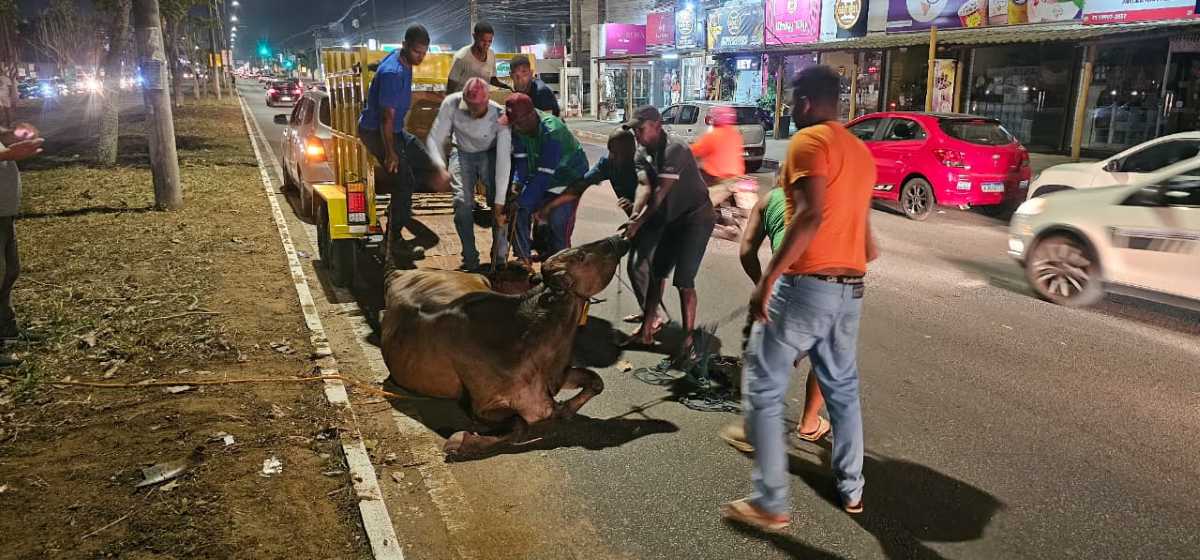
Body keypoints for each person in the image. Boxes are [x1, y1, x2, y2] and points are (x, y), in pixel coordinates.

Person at [720, 65, 879, 531]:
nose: (787, 108)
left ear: (807, 101)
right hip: (850, 287)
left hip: (807, 284)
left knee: (765, 383)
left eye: (791, 99)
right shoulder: (859, 151)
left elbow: (808, 217)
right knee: (843, 393)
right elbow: (868, 242)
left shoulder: (809, 143)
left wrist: (769, 279)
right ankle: (852, 489)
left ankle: (770, 500)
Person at [716, 186, 831, 453]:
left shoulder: (770, 199)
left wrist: (761, 284)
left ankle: (752, 427)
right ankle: (809, 423)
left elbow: (746, 250)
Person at [619, 105, 715, 364]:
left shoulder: (676, 149)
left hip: (696, 218)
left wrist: (638, 223)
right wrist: (633, 217)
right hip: (672, 221)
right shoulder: (641, 152)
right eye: (634, 131)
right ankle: (647, 331)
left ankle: (687, 341)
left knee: (683, 279)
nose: (637, 135)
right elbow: (644, 187)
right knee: (657, 273)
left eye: (640, 129)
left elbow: (660, 194)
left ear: (656, 125)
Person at [537, 128, 660, 328]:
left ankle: (652, 317)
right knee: (638, 268)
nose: (611, 156)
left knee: (641, 267)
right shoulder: (607, 165)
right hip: (635, 222)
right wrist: (550, 207)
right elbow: (580, 186)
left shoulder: (644, 165)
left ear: (631, 151)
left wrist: (637, 213)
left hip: (655, 220)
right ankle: (649, 312)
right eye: (610, 151)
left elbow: (657, 199)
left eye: (616, 153)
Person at [357, 24, 451, 267]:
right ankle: (394, 236)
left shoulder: (402, 61)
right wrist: (390, 154)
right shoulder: (393, 73)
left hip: (397, 130)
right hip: (377, 131)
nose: (421, 57)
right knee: (403, 179)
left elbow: (404, 95)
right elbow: (386, 119)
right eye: (417, 52)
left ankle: (400, 207)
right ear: (405, 45)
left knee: (425, 160)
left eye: (424, 52)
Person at [426, 77, 512, 270]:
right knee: (462, 204)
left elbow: (504, 161)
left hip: (491, 153)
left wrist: (499, 202)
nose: (472, 112)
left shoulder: (499, 115)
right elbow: (435, 138)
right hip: (461, 151)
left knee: (501, 204)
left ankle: (499, 256)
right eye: (469, 107)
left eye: (477, 109)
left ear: (487, 100)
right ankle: (470, 257)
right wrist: (440, 167)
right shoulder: (452, 103)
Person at [504, 93, 587, 265]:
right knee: (518, 211)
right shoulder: (520, 128)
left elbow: (543, 175)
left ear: (530, 116)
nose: (515, 128)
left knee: (557, 220)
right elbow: (522, 161)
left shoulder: (553, 131)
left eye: (517, 123)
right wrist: (516, 184)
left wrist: (523, 200)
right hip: (546, 178)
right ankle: (524, 259)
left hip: (568, 181)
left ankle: (561, 267)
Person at [0, 122, 45, 367]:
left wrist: (15, 135)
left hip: (4, 211)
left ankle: (7, 329)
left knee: (9, 272)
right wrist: (8, 154)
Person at [446, 22, 510, 94]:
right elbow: (450, 88)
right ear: (474, 37)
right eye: (483, 40)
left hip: (481, 100)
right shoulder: (461, 57)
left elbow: (492, 79)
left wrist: (507, 87)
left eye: (490, 41)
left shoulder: (491, 54)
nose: (486, 45)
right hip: (463, 101)